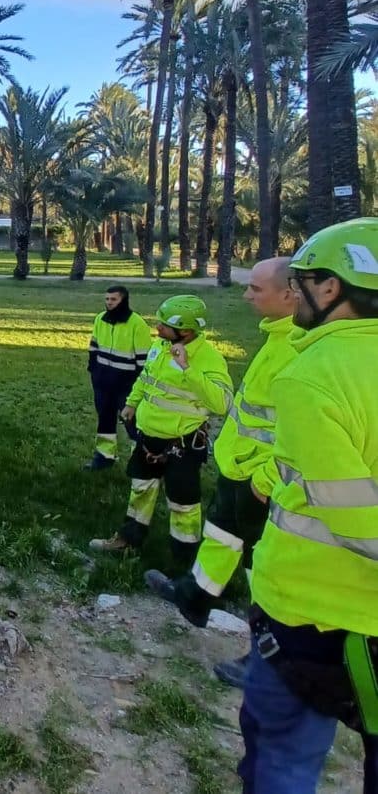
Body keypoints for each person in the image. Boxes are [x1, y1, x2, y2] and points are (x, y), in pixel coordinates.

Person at [237, 219, 378, 793]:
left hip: (314, 615)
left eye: (304, 281)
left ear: (331, 289)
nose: (295, 293)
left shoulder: (311, 375)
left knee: (284, 754)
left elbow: (354, 517)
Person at [144, 258, 298, 688]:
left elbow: (301, 429)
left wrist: (265, 479)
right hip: (241, 466)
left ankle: (267, 658)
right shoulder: (279, 337)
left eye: (256, 288)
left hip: (263, 478)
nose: (246, 295)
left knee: (262, 567)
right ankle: (195, 597)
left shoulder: (296, 348)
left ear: (289, 294)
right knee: (223, 534)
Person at [89, 294, 233, 566]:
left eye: (165, 325)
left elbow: (222, 403)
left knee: (183, 504)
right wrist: (132, 403)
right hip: (149, 438)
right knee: (140, 490)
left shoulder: (209, 358)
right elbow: (147, 377)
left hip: (182, 444)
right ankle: (127, 541)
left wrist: (187, 369)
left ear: (186, 331)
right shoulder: (161, 346)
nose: (158, 328)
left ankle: (184, 560)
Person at [85, 285, 151, 470]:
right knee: (105, 420)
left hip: (126, 385)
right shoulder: (100, 319)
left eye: (113, 299)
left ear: (123, 300)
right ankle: (104, 457)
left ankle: (140, 463)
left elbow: (143, 360)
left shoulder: (137, 324)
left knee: (133, 424)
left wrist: (138, 385)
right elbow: (94, 347)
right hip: (102, 382)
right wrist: (94, 372)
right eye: (107, 299)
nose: (109, 303)